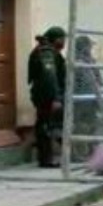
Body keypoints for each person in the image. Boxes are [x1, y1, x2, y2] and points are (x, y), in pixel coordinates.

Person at [28, 27, 67, 168]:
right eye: (62, 39)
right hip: (46, 96)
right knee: (46, 127)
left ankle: (48, 157)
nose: (64, 42)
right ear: (55, 39)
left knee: (48, 125)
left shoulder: (49, 51)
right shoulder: (46, 52)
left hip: (47, 95)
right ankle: (46, 159)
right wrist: (56, 98)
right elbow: (49, 77)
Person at [72, 36, 103, 160]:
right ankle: (78, 153)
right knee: (80, 126)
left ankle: (93, 150)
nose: (90, 48)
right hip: (79, 98)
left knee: (93, 124)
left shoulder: (90, 60)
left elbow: (98, 77)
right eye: (88, 46)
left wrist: (100, 88)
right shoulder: (74, 60)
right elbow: (73, 81)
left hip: (92, 97)